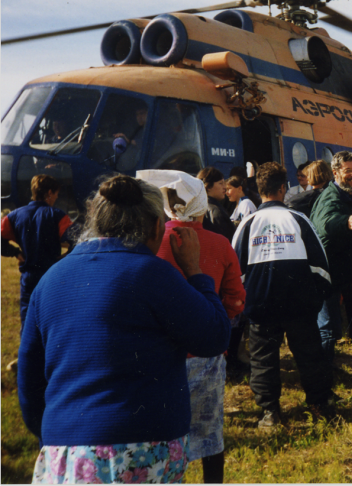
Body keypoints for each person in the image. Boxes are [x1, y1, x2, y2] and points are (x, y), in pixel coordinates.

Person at [17, 175, 231, 484]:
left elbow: (30, 379)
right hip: (145, 449)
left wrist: (56, 430)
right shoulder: (153, 274)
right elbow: (214, 336)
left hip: (63, 453)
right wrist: (195, 271)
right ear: (157, 226)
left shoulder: (51, 279)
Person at [140, 170, 246, 484]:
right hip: (204, 351)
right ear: (201, 205)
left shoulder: (151, 243)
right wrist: (216, 320)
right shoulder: (219, 243)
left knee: (161, 431)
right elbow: (236, 298)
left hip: (157, 352)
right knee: (209, 429)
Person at [232, 162, 335, 428]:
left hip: (261, 305)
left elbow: (235, 270)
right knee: (310, 356)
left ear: (259, 188)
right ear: (282, 188)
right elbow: (321, 266)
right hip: (299, 304)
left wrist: (246, 301)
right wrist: (317, 297)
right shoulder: (299, 219)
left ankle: (270, 413)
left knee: (263, 359)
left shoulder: (246, 224)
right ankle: (319, 407)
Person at [310, 151, 352, 366]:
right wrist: (346, 222)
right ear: (335, 173)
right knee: (327, 326)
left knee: (332, 323)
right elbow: (326, 222)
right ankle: (322, 377)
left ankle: (327, 369)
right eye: (348, 171)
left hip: (336, 269)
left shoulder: (348, 193)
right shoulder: (332, 196)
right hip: (325, 270)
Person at [1, 175, 73, 334]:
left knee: (28, 319)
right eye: (56, 193)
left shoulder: (13, 216)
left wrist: (16, 253)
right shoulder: (58, 215)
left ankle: (27, 354)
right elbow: (75, 240)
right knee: (53, 318)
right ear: (49, 192)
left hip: (29, 276)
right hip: (52, 274)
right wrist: (65, 257)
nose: (57, 197)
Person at [197, 166, 236, 242]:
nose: (224, 187)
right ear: (208, 186)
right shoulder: (216, 211)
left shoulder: (197, 208)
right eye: (220, 183)